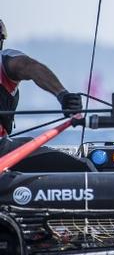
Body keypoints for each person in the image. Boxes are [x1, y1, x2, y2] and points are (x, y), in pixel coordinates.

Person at [0, 19, 92, 172]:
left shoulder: (5, 61)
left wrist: (63, 95)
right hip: (3, 152)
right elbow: (31, 67)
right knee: (82, 168)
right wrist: (62, 95)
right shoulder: (5, 61)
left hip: (4, 152)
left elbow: (30, 68)